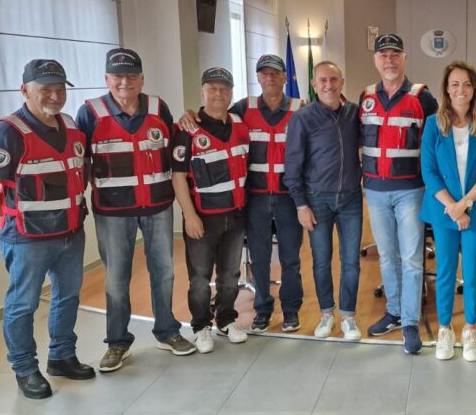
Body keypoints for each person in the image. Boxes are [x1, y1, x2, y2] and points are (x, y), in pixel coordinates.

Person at [0, 59, 95, 399]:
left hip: (71, 232)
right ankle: (25, 369)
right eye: (45, 89)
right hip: (27, 239)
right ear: (25, 90)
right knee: (23, 304)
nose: (54, 96)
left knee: (67, 297)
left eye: (59, 89)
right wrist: (16, 217)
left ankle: (62, 356)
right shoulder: (6, 133)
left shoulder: (70, 127)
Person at [76, 48, 195, 373]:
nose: (124, 82)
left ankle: (167, 332)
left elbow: (174, 149)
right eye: (118, 76)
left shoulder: (158, 108)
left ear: (142, 78)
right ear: (107, 79)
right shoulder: (90, 113)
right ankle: (117, 342)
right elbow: (79, 163)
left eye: (131, 76)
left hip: (157, 206)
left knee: (164, 272)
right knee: (116, 279)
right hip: (113, 212)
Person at [180, 55, 306, 334]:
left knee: (290, 258)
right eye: (264, 73)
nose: (269, 78)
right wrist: (189, 113)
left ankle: (291, 310)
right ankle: (262, 309)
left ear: (285, 78)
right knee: (259, 257)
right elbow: (212, 113)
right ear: (258, 78)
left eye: (275, 73)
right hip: (255, 197)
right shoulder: (243, 108)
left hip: (288, 196)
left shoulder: (300, 108)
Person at [360, 33, 438, 354]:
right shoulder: (365, 97)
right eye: (383, 55)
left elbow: (435, 145)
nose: (389, 60)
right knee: (388, 257)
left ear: (404, 59)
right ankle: (393, 311)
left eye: (395, 54)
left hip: (411, 191)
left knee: (410, 258)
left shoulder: (423, 98)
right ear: (376, 61)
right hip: (375, 192)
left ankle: (409, 321)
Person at [420, 61, 476, 362]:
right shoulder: (433, 124)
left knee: (473, 273)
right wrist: (452, 207)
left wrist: (464, 204)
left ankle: (469, 329)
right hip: (443, 210)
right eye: (455, 84)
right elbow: (428, 172)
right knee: (445, 272)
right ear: (446, 89)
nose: (461, 90)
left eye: (466, 83)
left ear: (474, 88)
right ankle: (444, 330)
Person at [171, 67, 251, 353]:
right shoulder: (187, 129)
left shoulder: (241, 124)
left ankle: (227, 320)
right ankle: (201, 326)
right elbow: (178, 176)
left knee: (229, 275)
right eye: (212, 88)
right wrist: (189, 215)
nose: (218, 93)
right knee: (200, 278)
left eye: (224, 88)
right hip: (202, 218)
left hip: (236, 214)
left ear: (231, 93)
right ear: (203, 92)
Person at [284, 61, 364, 341]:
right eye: (322, 81)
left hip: (351, 199)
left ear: (342, 82)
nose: (328, 85)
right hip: (316, 200)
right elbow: (292, 164)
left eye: (333, 80)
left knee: (351, 261)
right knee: (321, 261)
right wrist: (300, 204)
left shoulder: (355, 113)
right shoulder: (302, 118)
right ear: (314, 85)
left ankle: (349, 317)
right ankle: (327, 314)